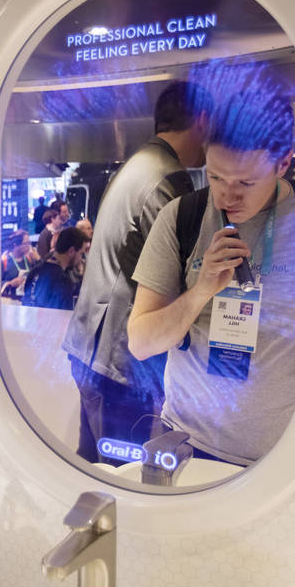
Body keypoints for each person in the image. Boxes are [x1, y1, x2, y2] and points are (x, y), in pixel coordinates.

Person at [128, 89, 295, 466]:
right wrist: (200, 291)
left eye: (246, 182)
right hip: (182, 444)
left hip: (281, 456)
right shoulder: (183, 217)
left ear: (283, 163)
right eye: (215, 176)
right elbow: (141, 343)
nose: (228, 196)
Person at [61, 81, 212, 464]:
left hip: (89, 349)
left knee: (91, 468)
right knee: (124, 482)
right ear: (202, 120)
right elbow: (163, 274)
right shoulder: (170, 178)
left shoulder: (137, 164)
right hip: (121, 363)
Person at [22, 227, 89, 310]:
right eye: (81, 253)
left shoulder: (34, 272)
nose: (80, 259)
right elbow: (64, 319)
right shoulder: (63, 281)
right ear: (71, 251)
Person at [0, 228, 39, 298]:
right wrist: (10, 283)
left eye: (29, 243)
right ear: (15, 244)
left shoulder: (29, 258)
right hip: (10, 300)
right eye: (25, 243)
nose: (28, 246)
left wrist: (38, 259)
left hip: (26, 300)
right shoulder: (4, 260)